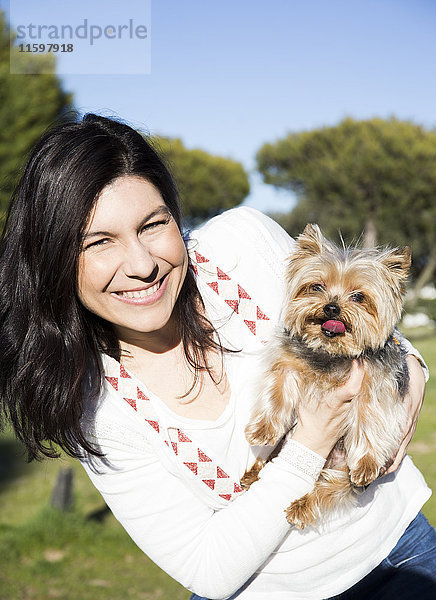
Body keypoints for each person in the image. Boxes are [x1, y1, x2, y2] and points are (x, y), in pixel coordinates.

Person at [0, 113, 434, 600]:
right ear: (53, 260)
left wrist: (413, 370)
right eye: (99, 241)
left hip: (401, 555)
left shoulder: (241, 243)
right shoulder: (94, 407)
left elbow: (375, 329)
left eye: (153, 224)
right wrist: (310, 442)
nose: (143, 265)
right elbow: (207, 569)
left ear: (176, 215)